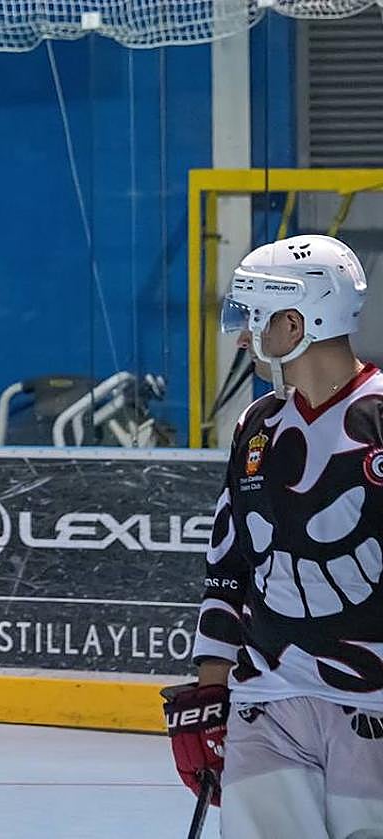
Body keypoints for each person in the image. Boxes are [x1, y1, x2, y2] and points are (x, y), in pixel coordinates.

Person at [163, 234, 383, 839]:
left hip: (374, 708)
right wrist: (212, 690)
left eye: (249, 316)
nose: (240, 335)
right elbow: (228, 564)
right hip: (267, 702)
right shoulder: (256, 424)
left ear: (295, 321)